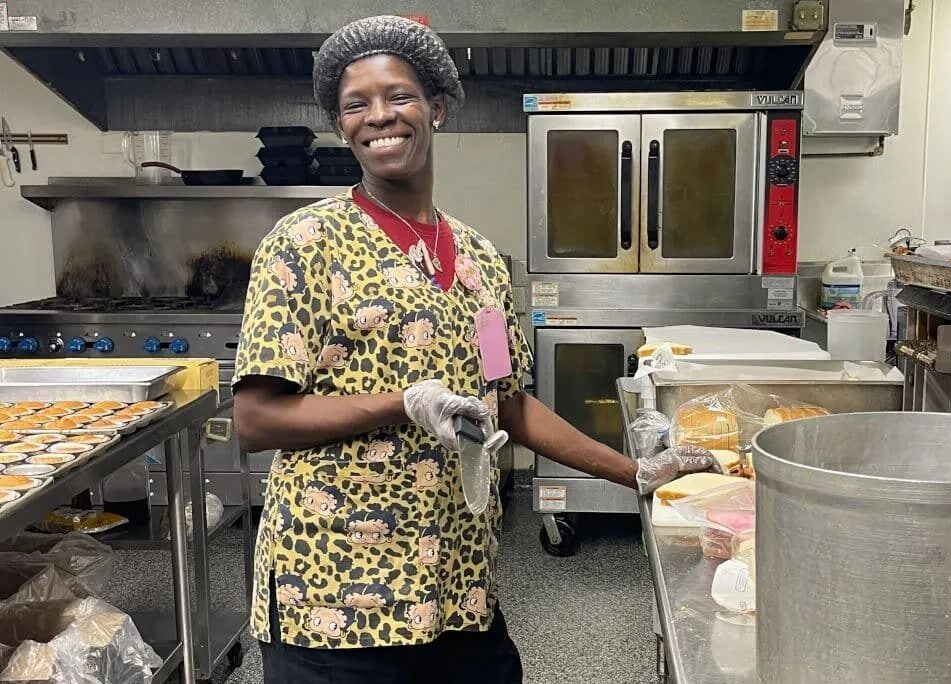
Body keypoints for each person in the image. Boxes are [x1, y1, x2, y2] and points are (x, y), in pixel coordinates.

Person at [231, 15, 720, 683]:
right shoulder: (303, 244)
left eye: (398, 96)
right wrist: (403, 403)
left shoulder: (479, 261)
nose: (379, 116)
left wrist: (631, 471)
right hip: (335, 598)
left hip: (457, 589)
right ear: (342, 126)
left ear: (436, 108)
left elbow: (508, 403)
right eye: (356, 104)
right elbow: (256, 420)